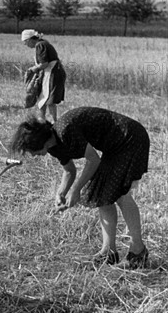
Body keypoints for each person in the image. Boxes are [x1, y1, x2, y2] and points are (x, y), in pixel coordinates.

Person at [11, 106, 150, 268]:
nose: (33, 155)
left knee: (120, 194)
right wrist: (61, 192)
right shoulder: (53, 146)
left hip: (130, 139)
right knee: (103, 196)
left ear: (40, 142)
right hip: (114, 147)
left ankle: (138, 253)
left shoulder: (65, 131)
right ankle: (108, 253)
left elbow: (93, 160)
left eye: (32, 151)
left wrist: (76, 190)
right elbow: (69, 170)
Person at [21, 29, 66, 123]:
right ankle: (43, 119)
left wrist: (33, 69)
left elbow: (44, 64)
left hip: (52, 72)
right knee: (44, 96)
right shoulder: (43, 43)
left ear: (30, 39)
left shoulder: (40, 45)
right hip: (50, 72)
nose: (25, 44)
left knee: (48, 97)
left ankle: (53, 121)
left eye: (25, 42)